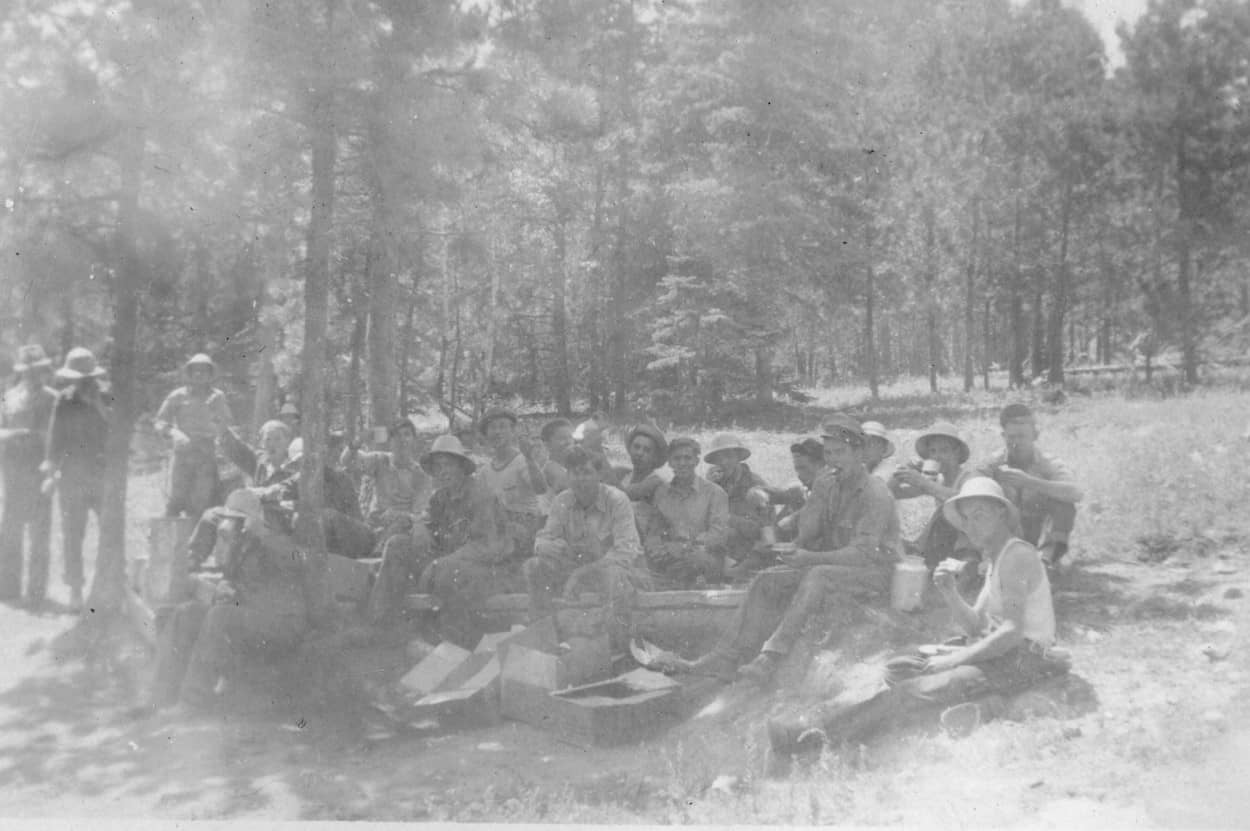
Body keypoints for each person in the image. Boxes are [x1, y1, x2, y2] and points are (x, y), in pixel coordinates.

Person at [767, 477, 1070, 758]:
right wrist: (949, 592)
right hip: (1005, 655)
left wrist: (954, 659)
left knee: (908, 691)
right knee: (901, 667)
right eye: (966, 518)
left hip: (1024, 658)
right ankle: (985, 705)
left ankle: (812, 739)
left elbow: (1011, 632)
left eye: (980, 515)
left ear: (1001, 514)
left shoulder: (1017, 556)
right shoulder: (996, 558)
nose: (972, 525)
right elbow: (977, 626)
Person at [672, 416, 901, 685]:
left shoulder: (875, 492)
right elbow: (807, 535)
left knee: (818, 574)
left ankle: (771, 657)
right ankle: (724, 656)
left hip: (880, 571)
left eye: (841, 453)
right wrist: (817, 496)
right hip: (841, 566)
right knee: (767, 579)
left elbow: (862, 554)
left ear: (859, 454)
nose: (833, 460)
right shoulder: (829, 484)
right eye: (829, 453)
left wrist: (809, 558)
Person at [147, 489, 310, 713]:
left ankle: (191, 703)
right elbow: (230, 581)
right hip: (249, 615)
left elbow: (296, 559)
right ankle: (160, 697)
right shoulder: (238, 543)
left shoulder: (275, 541)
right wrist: (222, 586)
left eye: (234, 519)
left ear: (248, 520)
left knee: (220, 616)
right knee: (187, 613)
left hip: (280, 622)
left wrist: (260, 532)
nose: (227, 524)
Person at [366, 435, 513, 646]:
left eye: (448, 465)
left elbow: (486, 547)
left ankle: (450, 642)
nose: (442, 471)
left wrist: (439, 563)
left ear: (462, 467)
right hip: (448, 563)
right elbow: (425, 518)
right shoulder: (440, 497)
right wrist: (419, 525)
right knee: (398, 544)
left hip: (487, 570)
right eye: (437, 466)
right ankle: (380, 624)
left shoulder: (480, 496)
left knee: (448, 573)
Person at [526, 446, 649, 658]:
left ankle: (619, 648)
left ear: (599, 475)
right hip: (579, 572)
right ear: (568, 475)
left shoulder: (616, 500)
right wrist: (548, 546)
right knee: (534, 566)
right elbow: (544, 537)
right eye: (575, 473)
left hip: (620, 572)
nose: (580, 479)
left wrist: (580, 573)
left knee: (614, 576)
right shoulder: (562, 500)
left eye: (587, 472)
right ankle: (544, 640)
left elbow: (626, 552)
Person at [42, 347, 110, 611]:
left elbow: (119, 430)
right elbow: (55, 439)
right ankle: (76, 590)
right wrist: (50, 473)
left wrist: (98, 405)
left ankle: (112, 581)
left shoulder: (107, 395)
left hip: (102, 473)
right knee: (73, 534)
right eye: (78, 378)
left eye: (87, 377)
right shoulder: (64, 400)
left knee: (109, 527)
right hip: (72, 475)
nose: (83, 382)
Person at [977, 404, 1083, 570]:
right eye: (1011, 437)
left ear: (1035, 436)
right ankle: (989, 557)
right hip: (1006, 529)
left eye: (1022, 436)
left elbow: (1076, 493)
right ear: (1003, 436)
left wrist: (1030, 482)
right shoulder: (993, 463)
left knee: (1063, 503)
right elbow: (969, 488)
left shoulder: (1048, 462)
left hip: (1038, 529)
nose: (1016, 443)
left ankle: (1046, 559)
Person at [0, 345, 57, 606]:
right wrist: (12, 434)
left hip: (40, 467)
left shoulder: (53, 398)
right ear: (22, 371)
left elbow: (58, 437)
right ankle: (8, 588)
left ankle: (36, 591)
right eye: (29, 370)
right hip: (13, 468)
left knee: (40, 530)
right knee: (10, 528)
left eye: (38, 370)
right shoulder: (9, 397)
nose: (34, 375)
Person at [340, 416, 432, 569]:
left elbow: (419, 516)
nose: (402, 440)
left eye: (407, 434)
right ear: (390, 441)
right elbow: (346, 461)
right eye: (396, 435)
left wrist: (398, 514)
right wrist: (358, 440)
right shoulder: (380, 460)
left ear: (414, 440)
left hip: (396, 534)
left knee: (401, 526)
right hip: (370, 530)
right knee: (334, 519)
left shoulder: (420, 475)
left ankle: (373, 558)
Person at [154, 353, 233, 518]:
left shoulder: (217, 396)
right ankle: (169, 540)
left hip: (206, 453)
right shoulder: (178, 395)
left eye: (203, 371)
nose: (199, 374)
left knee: (201, 502)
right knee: (175, 500)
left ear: (210, 374)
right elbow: (160, 422)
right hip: (183, 453)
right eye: (195, 371)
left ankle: (195, 540)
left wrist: (216, 421)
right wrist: (175, 434)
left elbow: (226, 423)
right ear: (189, 373)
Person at [644, 437, 730, 589]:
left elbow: (718, 535)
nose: (682, 463)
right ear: (669, 462)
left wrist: (684, 547)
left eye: (687, 458)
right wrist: (656, 549)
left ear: (696, 461)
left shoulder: (714, 493)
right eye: (677, 458)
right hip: (671, 558)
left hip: (704, 558)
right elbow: (654, 532)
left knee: (694, 562)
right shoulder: (661, 493)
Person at [890, 421, 977, 570]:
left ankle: (922, 555)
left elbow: (962, 500)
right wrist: (904, 471)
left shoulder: (969, 477)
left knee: (943, 514)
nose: (937, 456)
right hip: (942, 544)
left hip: (966, 546)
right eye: (933, 451)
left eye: (944, 450)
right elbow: (893, 493)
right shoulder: (938, 479)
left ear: (956, 453)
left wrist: (925, 483)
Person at [479, 408, 547, 560]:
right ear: (486, 434)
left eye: (503, 426)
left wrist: (530, 459)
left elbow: (541, 488)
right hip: (498, 526)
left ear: (513, 432)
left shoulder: (522, 461)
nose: (497, 432)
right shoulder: (484, 471)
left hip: (526, 525)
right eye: (492, 427)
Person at [704, 433, 773, 566]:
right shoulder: (714, 483)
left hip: (749, 549)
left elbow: (763, 528)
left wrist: (728, 518)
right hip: (720, 547)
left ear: (738, 457)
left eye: (729, 456)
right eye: (719, 458)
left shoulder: (754, 483)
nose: (724, 462)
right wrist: (708, 489)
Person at [616, 423, 669, 538]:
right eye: (636, 447)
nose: (639, 453)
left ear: (655, 457)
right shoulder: (622, 475)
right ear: (629, 449)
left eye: (647, 450)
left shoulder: (658, 485)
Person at [539, 417, 574, 498]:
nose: (569, 442)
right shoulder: (551, 469)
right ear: (547, 445)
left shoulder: (568, 467)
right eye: (562, 438)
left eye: (570, 437)